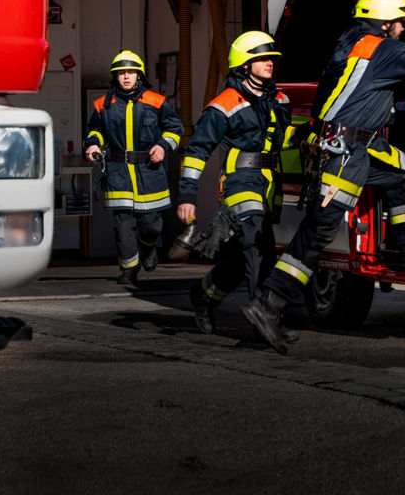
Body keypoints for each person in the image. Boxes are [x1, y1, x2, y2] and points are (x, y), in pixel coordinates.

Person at [241, 0, 405, 354]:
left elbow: (353, 98)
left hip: (356, 144)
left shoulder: (355, 45)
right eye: (399, 23)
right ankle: (267, 305)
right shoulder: (377, 48)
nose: (402, 30)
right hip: (344, 155)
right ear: (384, 24)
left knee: (403, 172)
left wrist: (396, 110)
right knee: (316, 235)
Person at [177, 31, 295, 336]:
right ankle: (265, 321)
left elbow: (284, 139)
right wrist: (188, 196)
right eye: (262, 59)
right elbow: (197, 151)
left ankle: (204, 294)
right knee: (258, 249)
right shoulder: (224, 105)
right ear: (245, 65)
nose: (270, 63)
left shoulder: (279, 99)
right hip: (240, 183)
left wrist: (308, 140)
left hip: (269, 185)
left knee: (248, 253)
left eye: (271, 58)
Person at [84, 50, 183, 286]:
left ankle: (148, 247)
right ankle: (129, 269)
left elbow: (175, 129)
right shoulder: (103, 105)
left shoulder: (156, 101)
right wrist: (93, 145)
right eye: (121, 73)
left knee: (150, 224)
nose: (126, 76)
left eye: (131, 72)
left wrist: (162, 145)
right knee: (123, 225)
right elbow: (94, 130)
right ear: (115, 76)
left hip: (149, 172)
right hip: (118, 172)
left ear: (139, 75)